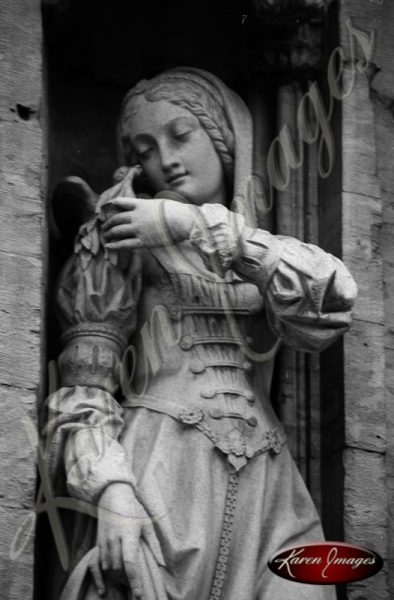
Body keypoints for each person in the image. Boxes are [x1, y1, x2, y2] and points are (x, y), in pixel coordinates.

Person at [45, 68, 357, 600]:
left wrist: (192, 225)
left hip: (270, 488)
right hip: (157, 474)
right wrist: (113, 491)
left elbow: (335, 299)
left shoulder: (253, 247)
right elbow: (85, 388)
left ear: (224, 137)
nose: (164, 158)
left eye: (180, 134)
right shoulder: (119, 235)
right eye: (145, 149)